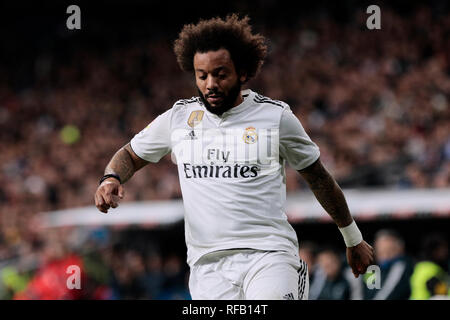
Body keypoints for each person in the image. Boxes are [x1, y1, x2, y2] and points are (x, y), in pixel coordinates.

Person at [94, 14, 374, 300]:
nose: (210, 84)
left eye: (220, 74)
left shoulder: (275, 117)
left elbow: (319, 179)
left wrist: (352, 238)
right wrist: (111, 177)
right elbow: (129, 153)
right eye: (202, 76)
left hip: (268, 256)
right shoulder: (178, 118)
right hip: (207, 267)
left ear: (242, 72)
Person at [363, 229, 413, 300]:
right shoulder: (372, 269)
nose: (385, 256)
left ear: (400, 249)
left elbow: (389, 293)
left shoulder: (401, 266)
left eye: (389, 251)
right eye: (380, 252)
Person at [410, 233, 449, 300]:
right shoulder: (431, 269)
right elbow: (440, 293)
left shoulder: (421, 266)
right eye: (443, 248)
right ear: (434, 251)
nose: (446, 251)